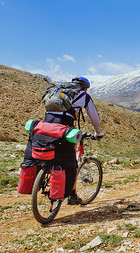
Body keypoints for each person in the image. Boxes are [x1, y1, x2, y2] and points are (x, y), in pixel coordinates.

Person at [23, 76, 103, 205]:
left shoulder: (57, 92)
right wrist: (98, 133)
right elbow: (94, 118)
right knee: (70, 162)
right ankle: (72, 195)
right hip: (64, 129)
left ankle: (41, 177)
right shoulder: (83, 95)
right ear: (85, 88)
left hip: (45, 128)